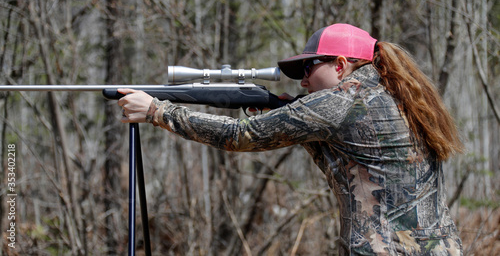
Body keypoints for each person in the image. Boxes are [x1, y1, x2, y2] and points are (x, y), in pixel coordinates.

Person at [118, 23, 465, 255]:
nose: (302, 81)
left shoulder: (342, 100)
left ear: (341, 65)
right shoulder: (398, 95)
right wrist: (283, 114)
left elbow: (240, 135)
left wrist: (157, 111)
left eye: (309, 68)